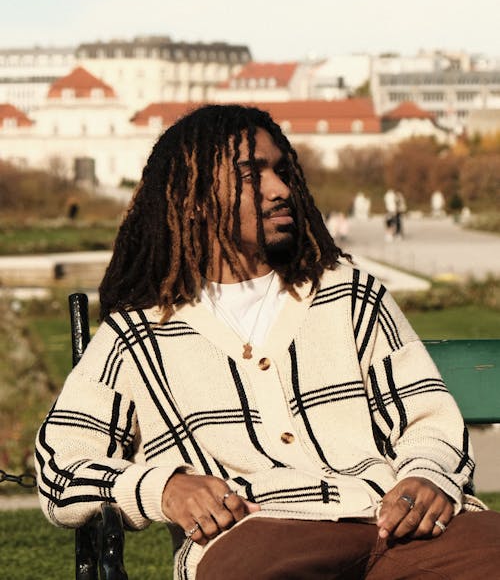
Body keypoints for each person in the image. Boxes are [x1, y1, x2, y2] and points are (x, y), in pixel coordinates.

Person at [35, 104, 499, 580]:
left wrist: (427, 472)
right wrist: (165, 488)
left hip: (398, 525)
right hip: (259, 537)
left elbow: (427, 418)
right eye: (251, 174)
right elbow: (60, 467)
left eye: (281, 170)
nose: (280, 190)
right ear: (192, 197)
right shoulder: (138, 335)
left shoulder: (351, 294)